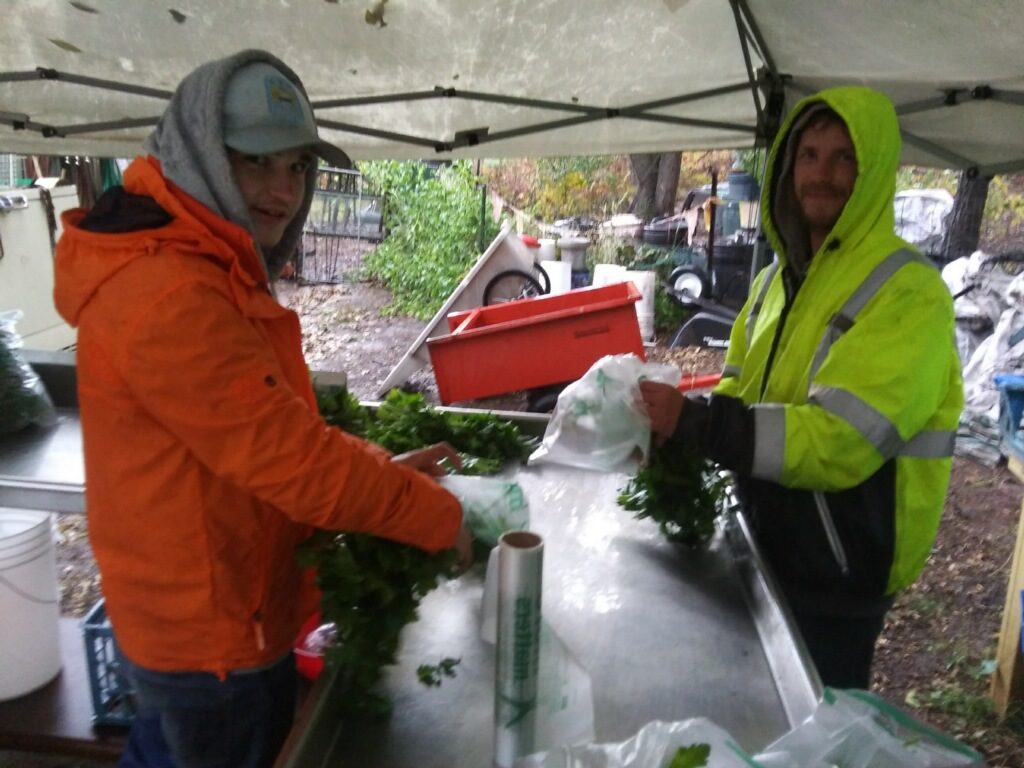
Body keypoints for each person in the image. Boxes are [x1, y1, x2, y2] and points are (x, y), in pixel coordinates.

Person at [53, 49, 472, 767]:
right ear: (203, 156)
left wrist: (382, 473)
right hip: (211, 648)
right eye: (257, 163)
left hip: (205, 624)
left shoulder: (201, 260)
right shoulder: (169, 293)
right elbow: (291, 460)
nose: (283, 190)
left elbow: (260, 442)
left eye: (298, 167)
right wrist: (435, 517)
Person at [640, 86, 963, 689]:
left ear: (872, 175)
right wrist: (682, 433)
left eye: (844, 158)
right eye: (809, 155)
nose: (823, 174)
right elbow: (740, 389)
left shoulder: (908, 292)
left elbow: (841, 437)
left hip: (838, 570)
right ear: (788, 169)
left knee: (814, 737)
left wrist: (698, 424)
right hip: (762, 544)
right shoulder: (772, 284)